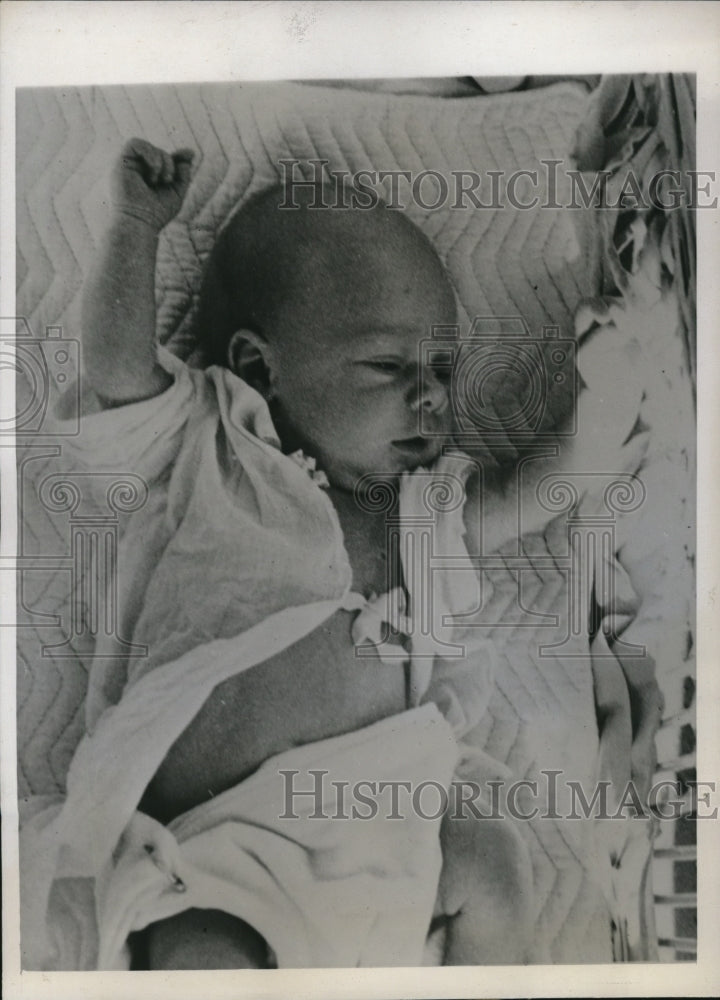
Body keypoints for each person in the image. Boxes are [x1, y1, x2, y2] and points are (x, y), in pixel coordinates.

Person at [75, 138, 537, 969]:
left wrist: (613, 398)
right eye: (388, 364)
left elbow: (520, 502)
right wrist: (137, 228)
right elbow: (114, 369)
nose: (430, 394)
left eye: (442, 365)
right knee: (202, 957)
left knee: (492, 862)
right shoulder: (212, 444)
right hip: (223, 854)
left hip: (392, 824)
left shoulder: (417, 504)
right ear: (260, 366)